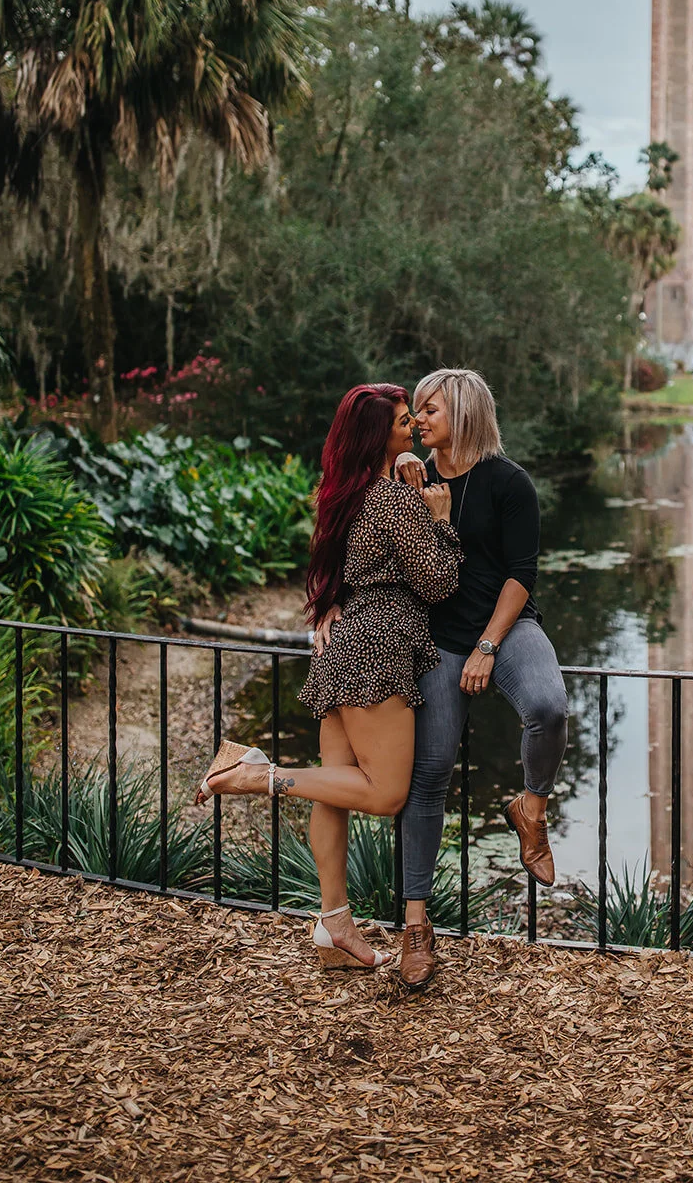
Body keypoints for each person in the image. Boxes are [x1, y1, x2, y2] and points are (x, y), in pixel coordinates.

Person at [314, 367, 569, 992]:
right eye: (415, 412)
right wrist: (329, 601)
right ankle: (416, 927)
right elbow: (365, 543)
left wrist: (489, 644)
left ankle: (530, 808)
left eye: (430, 410)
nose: (420, 419)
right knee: (427, 778)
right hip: (434, 643)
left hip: (504, 628)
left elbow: (521, 573)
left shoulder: (510, 482)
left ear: (465, 414)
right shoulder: (411, 480)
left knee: (548, 705)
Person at [195, 384, 460, 971]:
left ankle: (332, 922)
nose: (413, 425)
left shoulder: (343, 495)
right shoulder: (394, 501)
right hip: (379, 650)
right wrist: (438, 518)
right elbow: (439, 581)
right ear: (376, 437)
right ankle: (253, 775)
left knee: (333, 788)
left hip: (343, 645)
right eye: (400, 422)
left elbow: (341, 570)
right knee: (387, 793)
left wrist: (408, 474)